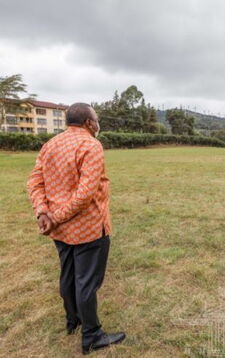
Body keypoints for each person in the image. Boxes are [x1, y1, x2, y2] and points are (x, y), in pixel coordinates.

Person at [27, 103, 126, 355]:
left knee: (69, 275)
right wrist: (53, 216)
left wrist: (43, 213)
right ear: (89, 123)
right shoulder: (91, 145)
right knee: (86, 282)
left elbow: (34, 181)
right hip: (88, 228)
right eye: (96, 118)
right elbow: (84, 194)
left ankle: (73, 320)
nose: (97, 123)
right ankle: (91, 335)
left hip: (59, 231)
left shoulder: (50, 144)